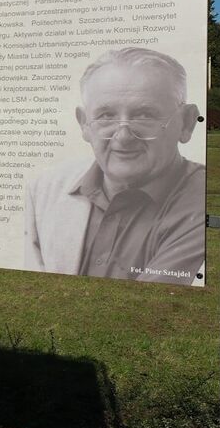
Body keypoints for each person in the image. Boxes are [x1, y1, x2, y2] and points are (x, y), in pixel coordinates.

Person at [24, 47, 205, 284]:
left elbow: (148, 306)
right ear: (84, 124)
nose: (123, 137)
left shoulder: (202, 200)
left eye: (144, 114)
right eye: (106, 115)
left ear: (187, 123)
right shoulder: (44, 189)